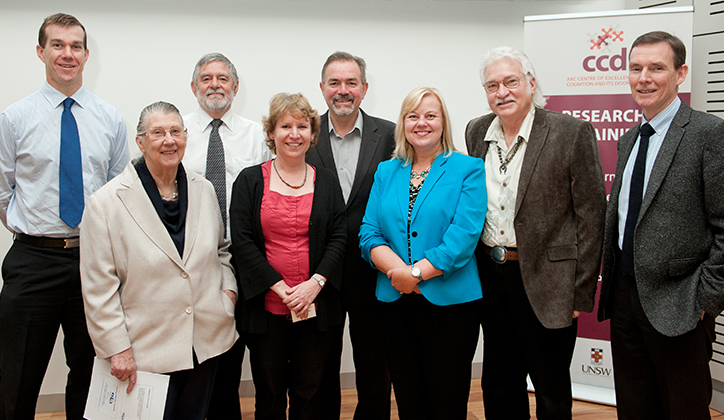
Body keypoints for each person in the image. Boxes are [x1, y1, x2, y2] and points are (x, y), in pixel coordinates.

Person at [0, 13, 129, 420]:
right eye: (57, 45)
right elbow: (3, 190)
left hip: (92, 261)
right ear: (41, 52)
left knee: (93, 373)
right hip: (33, 261)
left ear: (87, 55)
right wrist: (36, 230)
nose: (67, 54)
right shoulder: (14, 118)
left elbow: (117, 193)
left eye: (75, 46)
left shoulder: (110, 119)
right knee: (16, 374)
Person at [465, 46, 606, 420]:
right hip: (491, 277)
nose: (502, 92)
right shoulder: (477, 130)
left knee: (550, 388)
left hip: (549, 280)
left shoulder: (570, 132)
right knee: (498, 382)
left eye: (511, 82)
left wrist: (581, 289)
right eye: (492, 85)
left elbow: (592, 216)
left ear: (531, 83)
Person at [80, 101, 238, 420]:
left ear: (185, 136)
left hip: (204, 340)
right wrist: (117, 348)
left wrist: (228, 296)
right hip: (145, 349)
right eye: (158, 133)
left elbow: (222, 250)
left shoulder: (203, 189)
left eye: (176, 131)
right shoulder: (105, 204)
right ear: (140, 142)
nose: (169, 140)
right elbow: (98, 288)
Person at [597, 31, 724, 420]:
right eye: (635, 68)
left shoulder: (707, 133)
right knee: (635, 407)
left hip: (680, 302)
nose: (644, 78)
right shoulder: (631, 137)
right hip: (624, 297)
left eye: (657, 68)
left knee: (683, 409)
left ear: (681, 72)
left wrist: (705, 300)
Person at [359, 87, 486, 420]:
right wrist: (400, 274)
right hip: (395, 304)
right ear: (403, 124)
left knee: (447, 400)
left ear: (443, 122)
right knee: (409, 398)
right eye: (413, 116)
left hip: (451, 305)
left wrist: (415, 275)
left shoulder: (468, 168)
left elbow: (464, 236)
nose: (422, 123)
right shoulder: (387, 171)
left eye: (430, 115)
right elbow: (368, 233)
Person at [229, 92, 346, 420]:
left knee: (309, 395)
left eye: (302, 126)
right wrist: (281, 289)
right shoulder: (250, 181)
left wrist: (314, 285)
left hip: (315, 307)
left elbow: (339, 236)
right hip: (266, 310)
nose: (294, 134)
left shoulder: (326, 180)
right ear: (271, 133)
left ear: (312, 134)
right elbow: (243, 242)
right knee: (269, 394)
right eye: (285, 126)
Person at [306, 51, 395, 420]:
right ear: (322, 88)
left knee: (375, 361)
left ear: (365, 88)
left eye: (351, 83)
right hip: (319, 268)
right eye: (335, 83)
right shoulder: (302, 133)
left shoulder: (390, 134)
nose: (343, 91)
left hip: (371, 265)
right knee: (320, 362)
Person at [183, 52, 271, 420]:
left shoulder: (258, 136)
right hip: (196, 260)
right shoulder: (178, 133)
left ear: (235, 87)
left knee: (250, 354)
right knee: (203, 356)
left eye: (222, 78)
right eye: (206, 78)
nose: (214, 85)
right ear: (193, 87)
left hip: (248, 256)